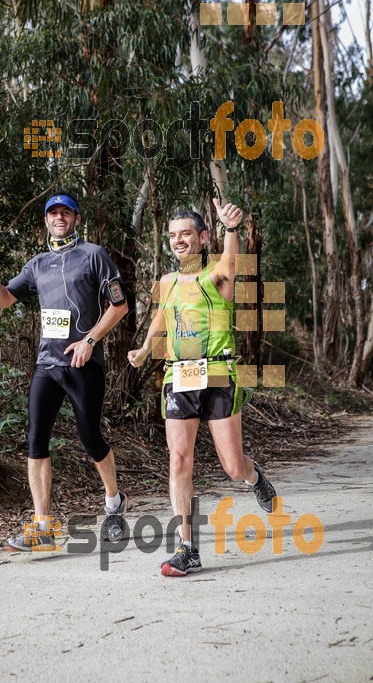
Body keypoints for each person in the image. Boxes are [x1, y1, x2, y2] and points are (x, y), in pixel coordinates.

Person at [128, 198, 276, 576]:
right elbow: (162, 315)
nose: (179, 241)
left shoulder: (216, 277)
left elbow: (231, 262)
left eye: (186, 234)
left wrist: (231, 230)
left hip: (219, 375)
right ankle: (187, 547)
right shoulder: (167, 281)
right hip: (179, 376)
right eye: (174, 236)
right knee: (179, 459)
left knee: (232, 466)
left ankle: (254, 476)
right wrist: (146, 348)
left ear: (202, 237)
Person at [0, 191, 129, 551]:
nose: (59, 217)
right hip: (48, 363)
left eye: (66, 212)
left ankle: (114, 504)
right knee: (36, 438)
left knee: (90, 437)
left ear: (75, 218)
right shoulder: (37, 264)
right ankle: (42, 525)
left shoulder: (94, 255)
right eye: (53, 212)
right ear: (46, 220)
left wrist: (89, 340)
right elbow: (4, 300)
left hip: (84, 362)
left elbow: (119, 306)